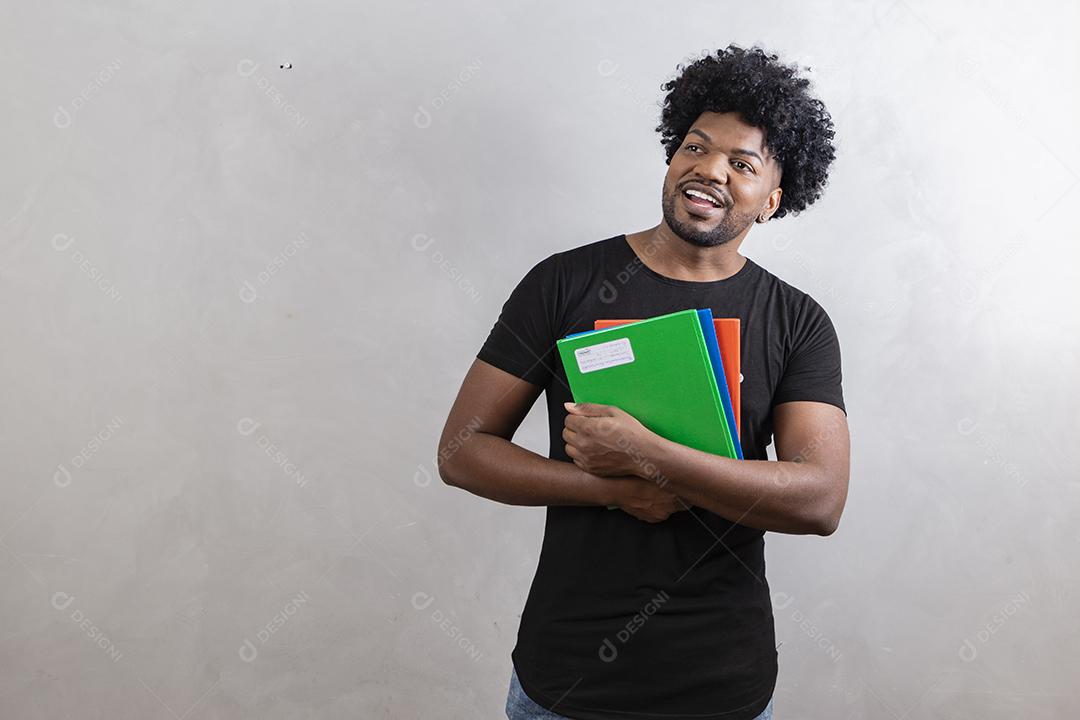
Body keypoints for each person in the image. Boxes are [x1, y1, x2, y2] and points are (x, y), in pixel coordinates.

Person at [438, 43, 850, 720]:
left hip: (724, 685)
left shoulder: (797, 321)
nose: (709, 169)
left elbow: (820, 498)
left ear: (772, 199)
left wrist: (653, 457)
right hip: (565, 681)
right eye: (696, 146)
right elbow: (461, 452)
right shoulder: (563, 282)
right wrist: (612, 487)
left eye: (741, 164)